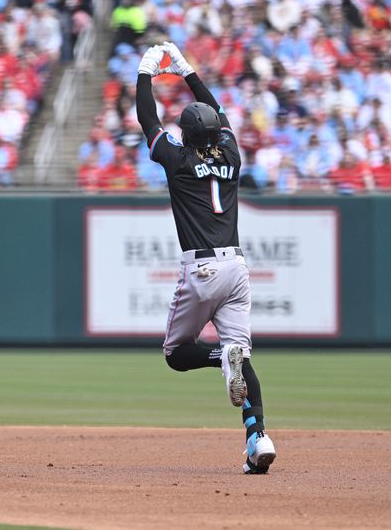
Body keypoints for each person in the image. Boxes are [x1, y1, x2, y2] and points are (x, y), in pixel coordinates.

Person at [135, 42, 276, 475]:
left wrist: (146, 74)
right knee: (242, 353)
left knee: (176, 353)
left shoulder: (178, 159)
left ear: (187, 134)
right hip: (236, 267)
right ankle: (259, 439)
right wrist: (187, 71)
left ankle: (220, 359)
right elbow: (217, 113)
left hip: (201, 268)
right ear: (216, 132)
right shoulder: (232, 156)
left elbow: (147, 120)